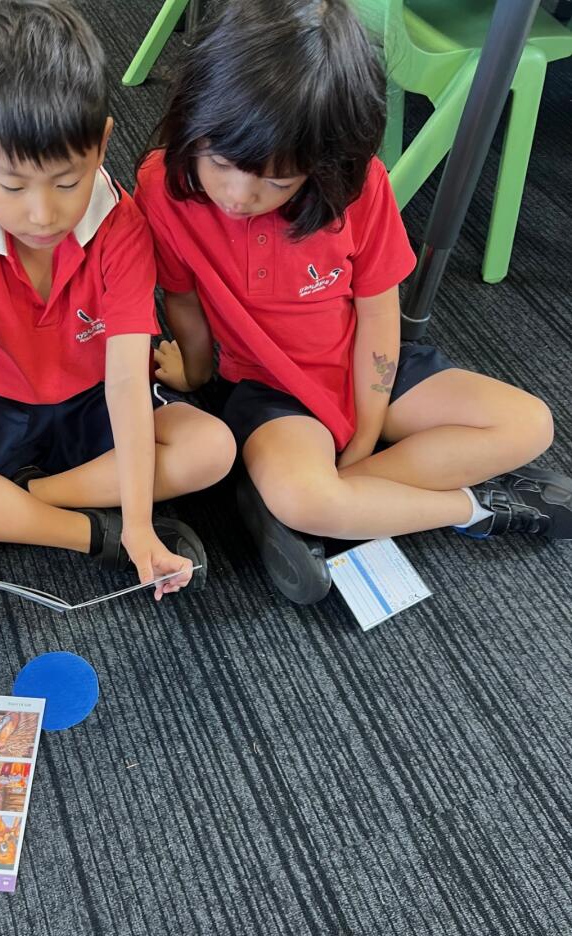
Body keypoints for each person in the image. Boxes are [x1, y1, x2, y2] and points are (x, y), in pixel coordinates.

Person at [134, 0, 572, 605]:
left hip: (364, 362)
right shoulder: (163, 184)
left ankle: (320, 512)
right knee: (304, 495)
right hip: (270, 389)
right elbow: (181, 298)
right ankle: (472, 508)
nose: (237, 195)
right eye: (222, 163)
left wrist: (364, 435)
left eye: (277, 181)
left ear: (324, 163)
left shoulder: (359, 186)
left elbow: (379, 314)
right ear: (194, 119)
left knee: (531, 423)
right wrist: (196, 371)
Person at [0, 0, 236, 602]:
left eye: (67, 182)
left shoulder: (121, 224)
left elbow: (126, 381)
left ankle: (26, 502)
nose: (43, 214)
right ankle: (89, 534)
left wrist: (141, 523)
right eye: (12, 185)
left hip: (95, 406)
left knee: (212, 448)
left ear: (102, 143)